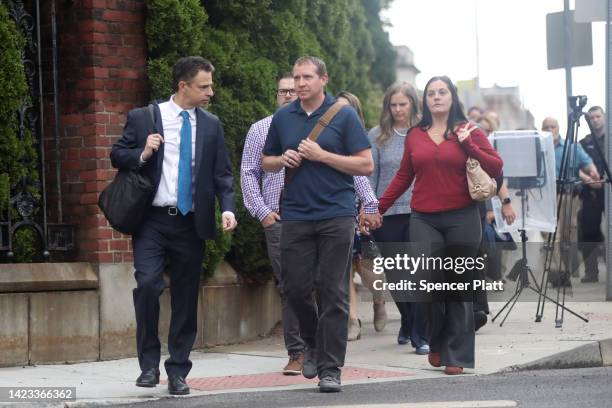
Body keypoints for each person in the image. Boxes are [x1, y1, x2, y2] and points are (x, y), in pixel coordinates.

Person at [110, 56, 237, 395]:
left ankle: (178, 370)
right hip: (151, 220)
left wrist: (227, 208)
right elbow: (117, 155)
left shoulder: (210, 124)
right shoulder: (144, 117)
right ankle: (148, 366)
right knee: (148, 285)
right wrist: (143, 152)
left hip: (190, 223)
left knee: (184, 297)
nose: (211, 92)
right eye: (204, 86)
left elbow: (222, 173)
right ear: (184, 86)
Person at [240, 77, 379, 372]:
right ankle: (301, 349)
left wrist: (369, 203)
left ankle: (326, 364)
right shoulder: (263, 128)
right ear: (276, 95)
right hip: (283, 217)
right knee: (294, 288)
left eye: (298, 87)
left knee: (331, 289)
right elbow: (251, 171)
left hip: (332, 216)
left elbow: (358, 168)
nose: (292, 93)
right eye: (285, 90)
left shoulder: (334, 120)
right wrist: (261, 211)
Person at [377, 76, 503, 375]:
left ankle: (456, 355)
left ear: (452, 97)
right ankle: (436, 342)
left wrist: (469, 144)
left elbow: (496, 166)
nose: (436, 97)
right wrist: (378, 208)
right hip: (424, 217)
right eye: (431, 93)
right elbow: (403, 177)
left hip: (463, 217)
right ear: (425, 100)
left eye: (442, 92)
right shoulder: (415, 135)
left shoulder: (469, 130)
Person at [367, 82, 429, 354]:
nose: (398, 109)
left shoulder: (424, 132)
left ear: (413, 104)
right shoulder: (377, 135)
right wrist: (370, 209)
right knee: (397, 275)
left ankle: (419, 334)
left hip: (418, 211)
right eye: (393, 105)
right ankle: (407, 319)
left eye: (403, 104)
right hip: (388, 213)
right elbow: (371, 175)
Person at [335, 90, 387, 342]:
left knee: (368, 269)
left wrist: (369, 207)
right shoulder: (329, 140)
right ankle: (352, 320)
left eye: (346, 110)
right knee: (343, 269)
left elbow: (364, 177)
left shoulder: (361, 143)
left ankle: (379, 300)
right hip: (338, 213)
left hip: (363, 212)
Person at [541, 116, 599, 285]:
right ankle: (558, 274)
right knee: (551, 237)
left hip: (567, 197)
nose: (550, 130)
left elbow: (586, 162)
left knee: (567, 236)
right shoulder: (539, 148)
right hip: (544, 197)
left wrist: (593, 171)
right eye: (546, 127)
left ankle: (566, 270)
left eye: (553, 126)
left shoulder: (571, 147)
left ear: (558, 128)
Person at [578, 106, 606, 282]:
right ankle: (591, 272)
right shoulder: (584, 142)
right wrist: (588, 179)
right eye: (591, 117)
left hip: (608, 191)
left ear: (604, 117)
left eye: (598, 116)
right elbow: (577, 165)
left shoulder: (609, 139)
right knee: (588, 232)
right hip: (591, 192)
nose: (595, 120)